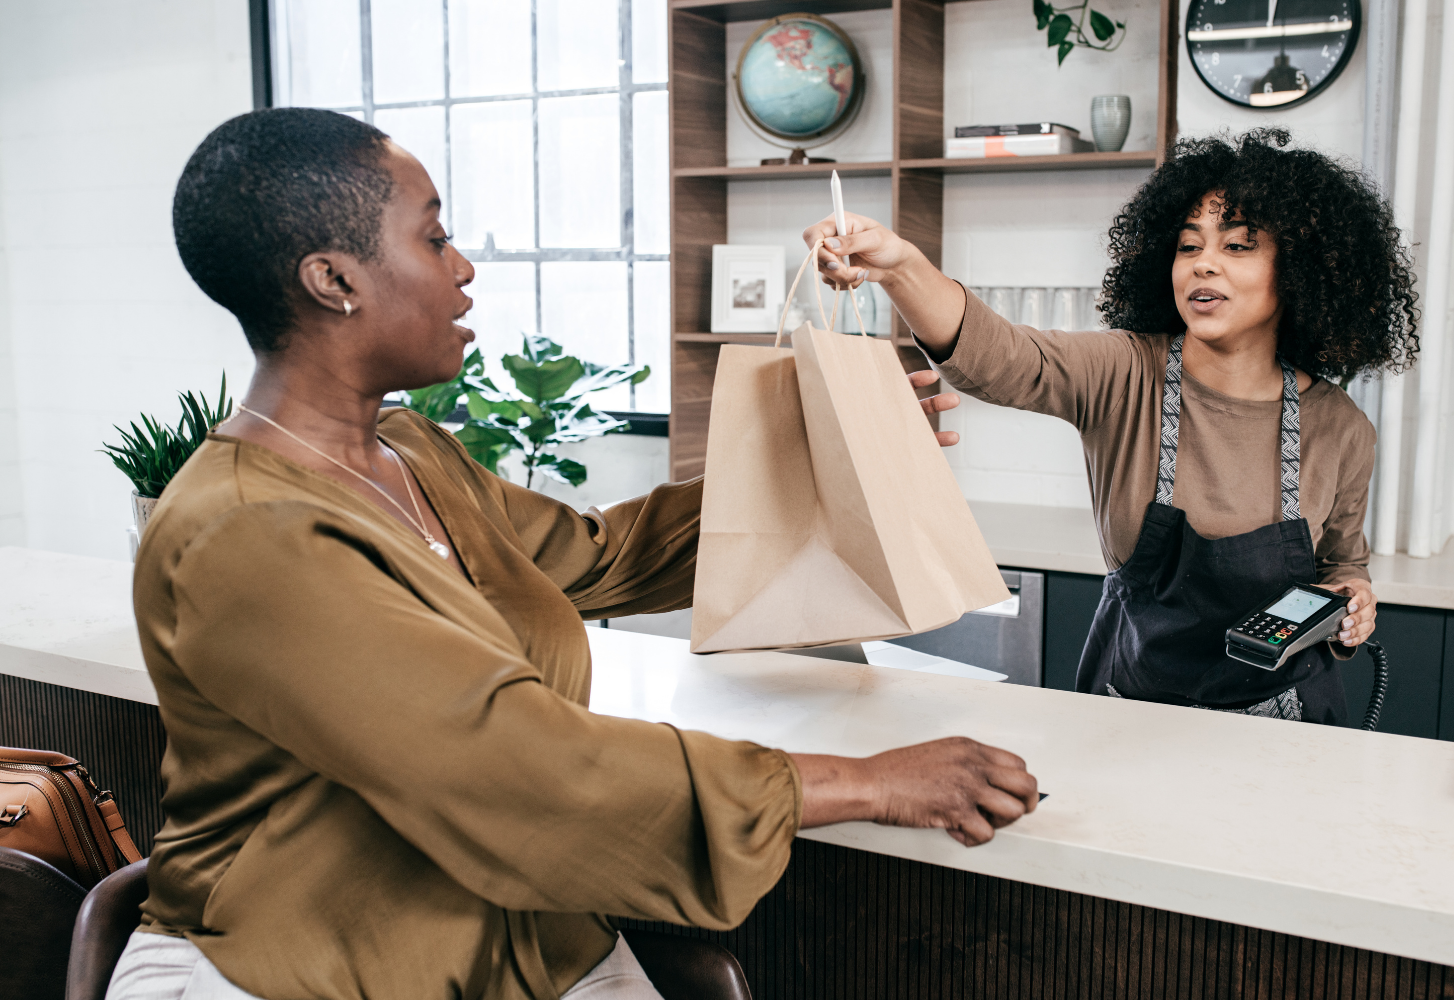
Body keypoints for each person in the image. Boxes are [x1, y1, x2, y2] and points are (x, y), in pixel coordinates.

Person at [111, 108, 1038, 1000]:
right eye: (435, 238)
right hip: (310, 967)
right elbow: (512, 766)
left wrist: (832, 449)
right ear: (332, 279)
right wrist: (866, 781)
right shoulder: (244, 531)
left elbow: (599, 556)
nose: (464, 268)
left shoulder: (412, 452)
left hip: (529, 947)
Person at [804, 129, 1420, 725]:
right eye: (1188, 246)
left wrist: (1352, 602)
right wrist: (900, 268)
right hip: (1130, 713)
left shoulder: (1340, 427)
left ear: (1300, 270)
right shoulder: (1126, 373)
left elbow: (1342, 563)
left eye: (1237, 246)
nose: (1203, 265)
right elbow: (1002, 357)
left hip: (1288, 724)